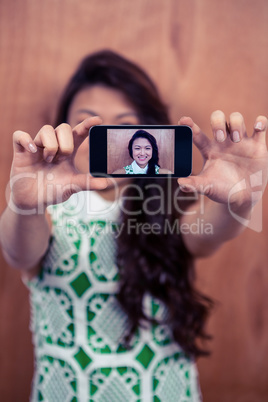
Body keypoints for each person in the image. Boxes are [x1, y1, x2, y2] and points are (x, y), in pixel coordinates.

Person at [0, 49, 267, 401]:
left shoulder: (170, 205)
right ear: (66, 133)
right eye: (93, 126)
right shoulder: (46, 210)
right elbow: (18, 253)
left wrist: (242, 199)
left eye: (126, 127)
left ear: (151, 139)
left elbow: (212, 231)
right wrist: (22, 203)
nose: (114, 142)